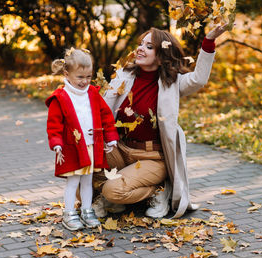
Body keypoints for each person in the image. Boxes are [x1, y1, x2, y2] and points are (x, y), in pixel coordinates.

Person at [92, 24, 229, 219]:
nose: (140, 48)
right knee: (86, 175)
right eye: (140, 44)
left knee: (112, 190)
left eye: (149, 46)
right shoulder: (124, 77)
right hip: (121, 150)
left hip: (153, 157)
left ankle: (156, 192)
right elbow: (103, 110)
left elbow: (199, 79)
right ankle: (114, 199)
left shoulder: (173, 83)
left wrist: (209, 40)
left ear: (161, 55)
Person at [45, 48, 119, 230]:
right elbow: (54, 124)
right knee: (73, 181)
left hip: (91, 146)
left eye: (88, 76)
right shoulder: (60, 98)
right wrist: (56, 144)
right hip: (71, 148)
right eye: (80, 77)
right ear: (67, 74)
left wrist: (110, 138)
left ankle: (87, 210)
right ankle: (69, 213)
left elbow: (106, 116)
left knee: (87, 180)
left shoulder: (92, 93)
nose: (85, 81)